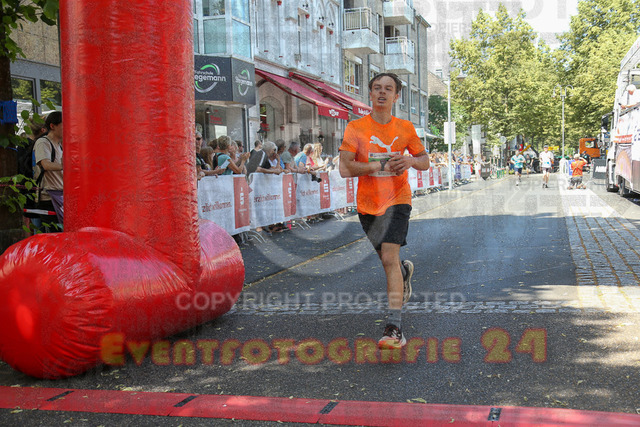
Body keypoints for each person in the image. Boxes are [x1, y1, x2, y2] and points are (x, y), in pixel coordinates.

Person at [339, 72, 430, 349]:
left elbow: (425, 161)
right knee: (387, 260)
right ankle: (403, 273)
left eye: (388, 89)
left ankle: (394, 328)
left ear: (396, 96)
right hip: (368, 204)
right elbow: (345, 168)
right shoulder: (355, 128)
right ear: (370, 93)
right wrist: (377, 165)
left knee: (389, 256)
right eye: (377, 87)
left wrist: (409, 161)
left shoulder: (405, 127)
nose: (382, 92)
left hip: (398, 199)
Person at [34, 111, 64, 226]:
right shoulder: (43, 142)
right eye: (64, 124)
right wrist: (65, 166)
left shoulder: (60, 145)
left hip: (60, 195)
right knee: (53, 231)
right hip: (48, 197)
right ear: (52, 126)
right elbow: (45, 164)